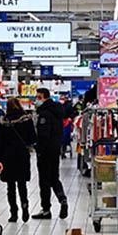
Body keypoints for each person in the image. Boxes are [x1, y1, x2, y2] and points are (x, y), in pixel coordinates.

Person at [0, 98, 36, 223]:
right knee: (22, 184)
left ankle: (13, 212)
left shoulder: (4, 121)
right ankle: (25, 206)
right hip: (22, 154)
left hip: (8, 156)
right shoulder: (26, 120)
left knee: (10, 186)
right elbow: (32, 138)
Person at [33, 88, 69, 219]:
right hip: (55, 150)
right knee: (54, 178)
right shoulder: (57, 111)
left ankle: (46, 209)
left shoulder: (45, 114)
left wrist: (38, 148)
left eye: (38, 97)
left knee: (44, 181)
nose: (36, 100)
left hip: (45, 151)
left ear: (44, 97)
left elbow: (43, 135)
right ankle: (62, 199)